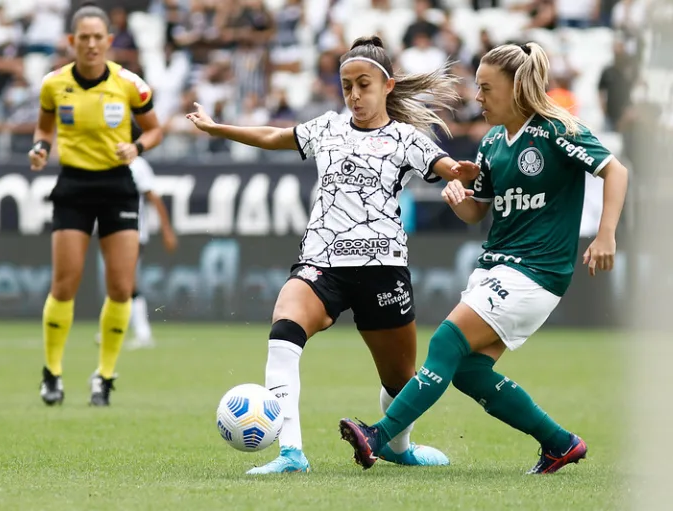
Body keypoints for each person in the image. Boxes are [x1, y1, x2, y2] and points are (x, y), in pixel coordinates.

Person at [187, 35, 479, 474]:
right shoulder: (327, 128)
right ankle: (291, 453)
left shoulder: (406, 139)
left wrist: (460, 173)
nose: (354, 95)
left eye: (364, 85)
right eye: (347, 86)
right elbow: (274, 135)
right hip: (322, 263)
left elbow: (447, 167)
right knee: (284, 331)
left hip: (382, 269)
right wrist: (218, 129)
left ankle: (399, 447)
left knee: (400, 381)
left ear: (388, 86)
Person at [338, 42, 629, 475]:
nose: (478, 98)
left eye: (486, 88)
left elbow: (615, 171)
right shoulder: (492, 142)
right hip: (496, 267)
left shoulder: (556, 129)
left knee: (446, 342)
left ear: (516, 88)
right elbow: (479, 211)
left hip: (536, 271)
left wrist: (606, 235)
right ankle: (559, 443)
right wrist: (460, 200)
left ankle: (378, 436)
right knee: (469, 371)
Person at [30, 3, 163, 407]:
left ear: (109, 40)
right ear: (72, 41)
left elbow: (155, 130)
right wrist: (40, 148)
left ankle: (104, 376)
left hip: (117, 186)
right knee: (64, 285)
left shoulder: (130, 84)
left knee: (121, 287)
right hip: (73, 186)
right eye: (83, 37)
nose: (90, 44)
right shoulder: (53, 84)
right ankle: (52, 373)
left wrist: (137, 147)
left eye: (97, 37)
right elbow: (44, 128)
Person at [95, 122, 178, 350]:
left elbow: (154, 198)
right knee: (115, 282)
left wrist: (166, 230)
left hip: (133, 232)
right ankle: (113, 328)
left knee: (127, 282)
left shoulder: (137, 165)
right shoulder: (107, 162)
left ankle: (141, 332)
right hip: (110, 231)